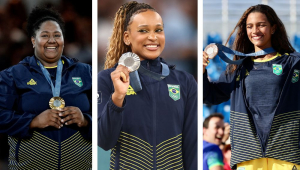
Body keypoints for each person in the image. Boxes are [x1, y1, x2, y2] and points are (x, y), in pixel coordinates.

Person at [98, 1, 197, 169]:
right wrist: (117, 98)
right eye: (143, 30)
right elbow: (105, 141)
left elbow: (191, 146)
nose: (153, 37)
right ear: (127, 37)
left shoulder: (185, 81)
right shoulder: (108, 79)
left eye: (158, 30)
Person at [203, 4, 300, 170]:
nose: (255, 30)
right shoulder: (237, 68)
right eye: (250, 26)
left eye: (261, 25)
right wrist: (202, 70)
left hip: (286, 152)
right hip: (248, 155)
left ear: (273, 28)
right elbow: (210, 95)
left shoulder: (292, 63)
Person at [0, 7, 92, 169]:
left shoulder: (85, 72)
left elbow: (107, 116)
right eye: (45, 35)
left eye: (57, 35)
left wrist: (85, 120)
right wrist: (32, 121)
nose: (52, 40)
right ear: (33, 40)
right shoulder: (13, 75)